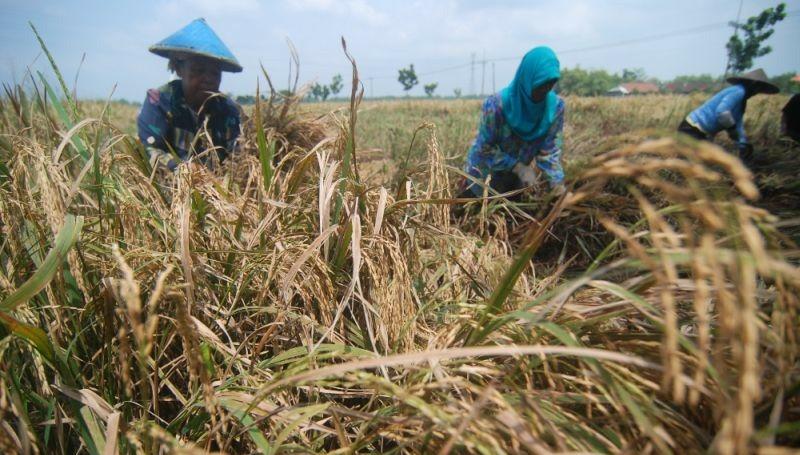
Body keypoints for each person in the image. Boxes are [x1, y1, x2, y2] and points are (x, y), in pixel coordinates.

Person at [137, 18, 243, 171]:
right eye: (198, 70)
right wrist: (185, 170)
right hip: (169, 187)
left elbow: (236, 155)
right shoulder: (160, 101)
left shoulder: (228, 110)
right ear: (179, 69)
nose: (208, 79)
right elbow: (150, 150)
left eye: (215, 73)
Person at [461, 46, 565, 200]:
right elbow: (484, 150)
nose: (546, 90)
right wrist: (518, 167)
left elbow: (549, 152)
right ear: (527, 78)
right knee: (478, 213)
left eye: (551, 83)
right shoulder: (496, 106)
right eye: (541, 84)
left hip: (515, 181)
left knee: (513, 212)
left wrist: (557, 185)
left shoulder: (555, 108)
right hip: (483, 176)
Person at [678, 68, 779, 161]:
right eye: (758, 88)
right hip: (692, 128)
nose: (757, 92)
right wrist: (731, 129)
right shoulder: (738, 91)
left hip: (701, 132)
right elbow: (722, 112)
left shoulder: (742, 100)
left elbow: (738, 123)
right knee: (693, 161)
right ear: (753, 84)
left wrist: (743, 143)